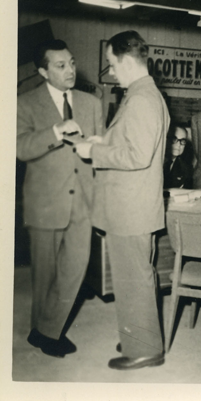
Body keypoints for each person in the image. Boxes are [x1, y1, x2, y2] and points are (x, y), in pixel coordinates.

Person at [74, 30, 169, 370]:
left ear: (127, 61)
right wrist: (106, 138)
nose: (111, 71)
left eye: (112, 64)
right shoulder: (142, 94)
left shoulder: (142, 98)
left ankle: (144, 348)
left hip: (131, 208)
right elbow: (132, 142)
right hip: (134, 206)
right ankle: (138, 335)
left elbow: (138, 155)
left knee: (133, 279)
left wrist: (94, 150)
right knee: (135, 278)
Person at [16, 39, 103, 358]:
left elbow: (99, 147)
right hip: (45, 201)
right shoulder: (25, 103)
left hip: (83, 199)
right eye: (60, 65)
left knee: (75, 269)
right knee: (44, 273)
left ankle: (48, 330)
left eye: (72, 63)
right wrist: (54, 131)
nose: (70, 70)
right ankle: (39, 329)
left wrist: (98, 145)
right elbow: (20, 148)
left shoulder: (91, 103)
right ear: (42, 71)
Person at [163, 123, 193, 189]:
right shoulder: (156, 163)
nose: (178, 144)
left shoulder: (185, 169)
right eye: (174, 139)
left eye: (182, 141)